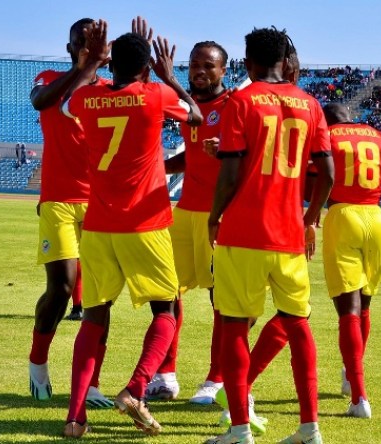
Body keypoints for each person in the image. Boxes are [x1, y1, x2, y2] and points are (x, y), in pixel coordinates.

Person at [60, 21, 203, 438]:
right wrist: (169, 78)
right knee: (167, 310)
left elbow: (66, 105)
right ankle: (136, 388)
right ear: (146, 69)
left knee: (94, 318)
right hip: (145, 222)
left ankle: (75, 417)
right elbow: (195, 116)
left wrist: (91, 62)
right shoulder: (155, 94)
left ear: (111, 64)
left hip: (99, 225)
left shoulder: (86, 98)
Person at [205, 27, 334, 444]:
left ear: (247, 62)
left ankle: (240, 430)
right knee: (298, 325)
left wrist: (214, 215)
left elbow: (229, 172)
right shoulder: (310, 104)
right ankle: (310, 428)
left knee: (234, 327)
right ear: (284, 59)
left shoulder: (242, 101)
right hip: (289, 234)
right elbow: (327, 173)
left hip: (244, 232)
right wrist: (310, 218)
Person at [27, 18, 109, 409]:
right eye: (82, 42)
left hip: (100, 202)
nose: (88, 48)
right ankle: (38, 363)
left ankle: (91, 384)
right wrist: (82, 68)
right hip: (59, 199)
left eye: (95, 43)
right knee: (61, 288)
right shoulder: (49, 78)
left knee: (99, 296)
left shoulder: (109, 91)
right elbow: (39, 101)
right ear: (70, 47)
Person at [145, 39, 231, 405]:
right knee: (167, 292)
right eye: (195, 64)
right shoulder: (187, 107)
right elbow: (192, 156)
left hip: (219, 216)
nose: (199, 70)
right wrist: (158, 167)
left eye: (208, 65)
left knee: (221, 300)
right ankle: (165, 375)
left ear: (223, 70)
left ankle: (216, 379)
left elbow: (242, 157)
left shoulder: (234, 106)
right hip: (184, 213)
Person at [321, 102, 381, 418]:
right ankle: (351, 375)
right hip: (377, 219)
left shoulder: (327, 135)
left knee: (347, 309)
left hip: (342, 215)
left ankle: (359, 397)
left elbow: (316, 179)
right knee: (364, 305)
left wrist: (309, 217)